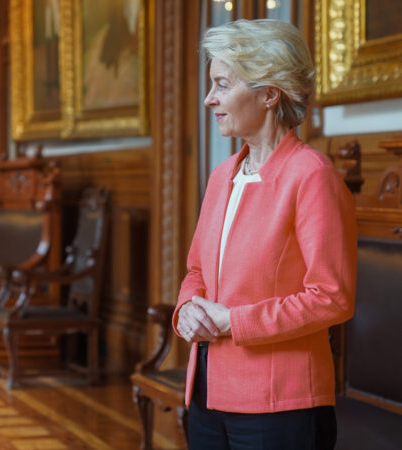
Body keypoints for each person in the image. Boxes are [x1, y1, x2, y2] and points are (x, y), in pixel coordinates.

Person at [173, 19, 356, 449]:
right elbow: (196, 271)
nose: (209, 98)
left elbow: (332, 296)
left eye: (222, 84)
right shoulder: (221, 176)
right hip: (206, 394)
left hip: (280, 408)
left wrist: (233, 321)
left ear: (270, 94)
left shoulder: (313, 176)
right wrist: (185, 311)